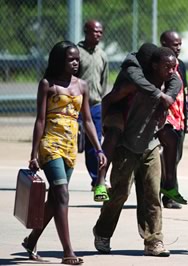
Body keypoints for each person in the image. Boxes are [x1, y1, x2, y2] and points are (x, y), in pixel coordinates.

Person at [22, 41, 107, 265]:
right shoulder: (47, 84)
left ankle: (31, 241)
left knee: (55, 198)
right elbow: (40, 120)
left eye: (77, 58)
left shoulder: (82, 86)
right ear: (60, 61)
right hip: (50, 145)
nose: (76, 62)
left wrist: (99, 149)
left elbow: (87, 120)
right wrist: (34, 154)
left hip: (70, 147)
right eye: (71, 58)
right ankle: (68, 252)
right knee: (62, 194)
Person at [93, 47, 181, 257]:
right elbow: (109, 101)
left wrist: (167, 97)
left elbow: (176, 84)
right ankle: (102, 232)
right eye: (166, 67)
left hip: (150, 144)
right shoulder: (131, 83)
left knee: (152, 194)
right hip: (126, 144)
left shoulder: (169, 81)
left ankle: (154, 240)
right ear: (153, 65)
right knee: (120, 193)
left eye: (173, 66)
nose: (171, 71)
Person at [158, 30, 188, 209]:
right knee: (161, 159)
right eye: (174, 44)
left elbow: (184, 92)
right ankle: (165, 195)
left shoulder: (182, 65)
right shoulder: (156, 66)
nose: (178, 47)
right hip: (164, 120)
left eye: (180, 44)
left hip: (179, 118)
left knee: (175, 158)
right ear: (164, 43)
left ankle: (167, 192)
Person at [76, 19, 109, 191]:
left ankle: (97, 179)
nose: (98, 34)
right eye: (95, 31)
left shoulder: (102, 55)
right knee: (73, 141)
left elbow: (104, 81)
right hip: (76, 105)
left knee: (94, 143)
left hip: (95, 105)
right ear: (86, 31)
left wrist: (99, 98)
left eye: (100, 32)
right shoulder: (77, 52)